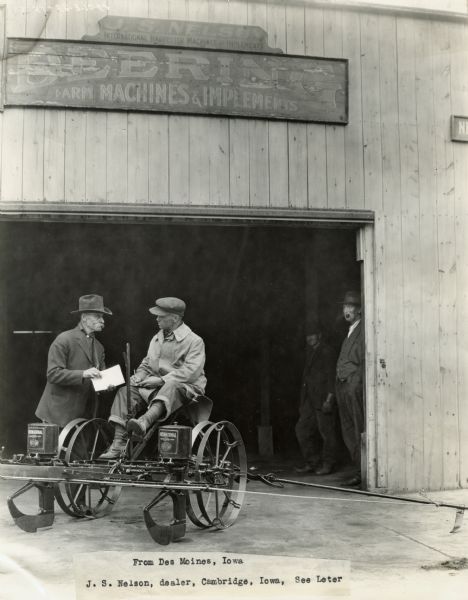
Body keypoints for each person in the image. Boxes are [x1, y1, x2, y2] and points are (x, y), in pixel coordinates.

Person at [100, 297, 207, 459]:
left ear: (175, 319)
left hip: (185, 388)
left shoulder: (195, 341)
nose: (157, 319)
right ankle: (118, 444)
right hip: (157, 388)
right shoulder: (157, 338)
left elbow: (191, 372)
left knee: (171, 385)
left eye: (161, 316)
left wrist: (160, 380)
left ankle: (143, 422)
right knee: (125, 391)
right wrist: (139, 376)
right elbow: (147, 364)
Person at [35, 294, 112, 427]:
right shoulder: (64, 340)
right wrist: (83, 374)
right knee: (53, 449)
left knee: (80, 449)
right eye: (98, 317)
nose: (103, 321)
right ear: (84, 318)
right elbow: (53, 374)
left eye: (103, 317)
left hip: (82, 417)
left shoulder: (99, 348)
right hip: (57, 414)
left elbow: (100, 378)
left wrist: (107, 385)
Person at [295, 320, 338, 475]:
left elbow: (331, 376)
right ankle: (312, 462)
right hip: (310, 401)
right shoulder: (311, 353)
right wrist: (303, 402)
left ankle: (328, 464)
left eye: (313, 335)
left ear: (319, 335)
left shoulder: (326, 351)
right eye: (308, 336)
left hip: (323, 400)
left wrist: (329, 399)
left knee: (327, 433)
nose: (310, 338)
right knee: (302, 429)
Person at [335, 290, 365, 488]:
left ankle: (362, 472)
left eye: (351, 307)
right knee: (348, 429)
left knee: (357, 429)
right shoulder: (350, 331)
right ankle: (357, 468)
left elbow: (364, 361)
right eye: (345, 306)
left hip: (353, 387)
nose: (347, 310)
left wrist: (355, 384)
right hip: (343, 387)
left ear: (359, 310)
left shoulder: (362, 331)